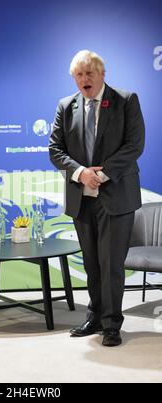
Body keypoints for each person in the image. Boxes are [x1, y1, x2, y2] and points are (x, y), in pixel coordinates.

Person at [49, 50, 145, 347]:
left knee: (111, 264)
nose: (84, 79)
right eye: (79, 74)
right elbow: (56, 150)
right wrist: (80, 173)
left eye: (90, 73)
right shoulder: (66, 106)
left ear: (102, 74)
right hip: (82, 198)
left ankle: (112, 324)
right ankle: (95, 315)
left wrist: (101, 175)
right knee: (92, 262)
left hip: (116, 195)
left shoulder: (125, 101)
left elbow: (134, 145)